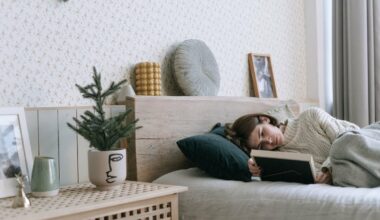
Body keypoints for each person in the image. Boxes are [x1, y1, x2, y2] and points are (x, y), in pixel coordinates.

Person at [225, 107, 360, 184]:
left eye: (262, 133)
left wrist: (328, 168)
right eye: (261, 146)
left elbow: (345, 139)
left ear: (265, 120)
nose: (269, 141)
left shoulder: (310, 116)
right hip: (352, 167)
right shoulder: (282, 159)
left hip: (362, 141)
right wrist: (253, 163)